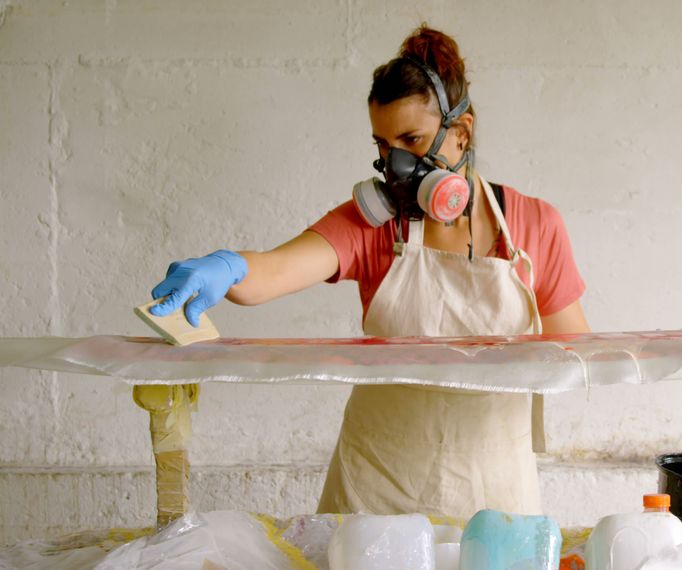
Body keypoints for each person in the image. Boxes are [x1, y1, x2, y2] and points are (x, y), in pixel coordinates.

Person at [148, 25, 590, 518]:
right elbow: (271, 274)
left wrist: (663, 345)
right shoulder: (374, 226)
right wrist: (226, 268)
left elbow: (578, 354)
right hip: (375, 493)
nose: (395, 164)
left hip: (495, 495)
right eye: (383, 144)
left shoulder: (535, 226)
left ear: (460, 133)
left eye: (412, 140)